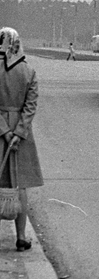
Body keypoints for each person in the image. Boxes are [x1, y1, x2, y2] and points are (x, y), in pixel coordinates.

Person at [0, 28, 44, 252]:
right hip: (21, 135)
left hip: (0, 132)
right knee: (20, 186)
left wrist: (5, 131)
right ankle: (20, 237)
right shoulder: (29, 71)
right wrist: (18, 133)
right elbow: (30, 106)